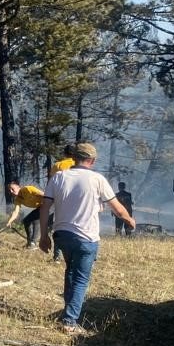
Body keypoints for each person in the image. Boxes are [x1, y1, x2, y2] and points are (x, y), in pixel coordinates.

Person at [38, 142, 135, 334]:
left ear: (74, 158)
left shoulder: (58, 177)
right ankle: (69, 322)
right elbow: (117, 208)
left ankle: (68, 312)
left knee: (71, 272)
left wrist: (43, 236)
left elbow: (44, 208)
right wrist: (130, 220)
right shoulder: (97, 179)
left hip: (62, 235)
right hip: (86, 238)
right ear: (92, 160)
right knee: (81, 279)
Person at [46, 144, 76, 261]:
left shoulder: (58, 165)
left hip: (60, 199)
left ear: (65, 153)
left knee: (58, 227)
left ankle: (57, 256)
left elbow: (52, 182)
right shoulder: (78, 165)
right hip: (76, 200)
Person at [5, 182, 45, 248]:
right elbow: (15, 212)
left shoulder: (27, 189)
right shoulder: (18, 199)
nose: (11, 192)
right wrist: (10, 221)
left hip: (50, 205)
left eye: (12, 189)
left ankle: (33, 243)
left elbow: (45, 195)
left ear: (18, 187)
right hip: (41, 208)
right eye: (10, 191)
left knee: (36, 219)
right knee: (26, 220)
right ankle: (30, 242)